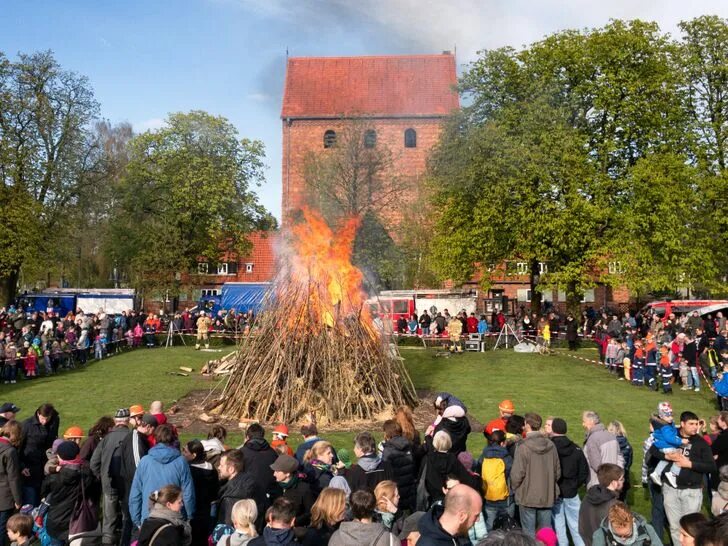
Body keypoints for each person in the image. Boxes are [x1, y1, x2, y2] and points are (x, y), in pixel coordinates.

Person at [649, 411, 717, 546]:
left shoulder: (700, 443)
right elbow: (653, 449)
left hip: (691, 491)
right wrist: (666, 457)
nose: (695, 427)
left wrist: (689, 464)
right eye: (691, 424)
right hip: (670, 489)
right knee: (675, 527)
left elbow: (711, 467)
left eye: (697, 424)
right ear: (683, 424)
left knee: (692, 529)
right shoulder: (670, 435)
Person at [129, 425, 195, 529]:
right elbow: (188, 492)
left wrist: (137, 520)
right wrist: (189, 516)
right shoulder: (181, 462)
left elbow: (135, 493)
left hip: (150, 516)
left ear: (155, 439)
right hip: (174, 517)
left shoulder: (145, 461)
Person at [510, 412, 560, 536]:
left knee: (529, 534)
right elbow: (557, 472)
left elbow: (517, 474)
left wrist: (515, 488)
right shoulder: (551, 445)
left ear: (527, 425)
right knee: (545, 534)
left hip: (527, 497)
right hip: (546, 495)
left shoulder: (523, 446)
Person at [41, 441, 100, 545]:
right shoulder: (87, 475)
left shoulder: (53, 477)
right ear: (77, 455)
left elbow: (44, 493)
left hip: (56, 521)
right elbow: (95, 494)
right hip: (79, 522)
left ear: (59, 457)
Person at [90, 408, 132, 546]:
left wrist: (101, 476)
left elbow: (94, 462)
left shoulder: (106, 439)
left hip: (108, 484)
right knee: (128, 516)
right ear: (128, 421)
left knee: (109, 519)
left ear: (115, 422)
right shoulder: (133, 437)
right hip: (128, 485)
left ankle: (107, 542)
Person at [550, 418, 588, 546]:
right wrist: (574, 485)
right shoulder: (576, 448)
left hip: (556, 493)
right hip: (571, 492)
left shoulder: (549, 448)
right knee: (576, 525)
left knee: (559, 526)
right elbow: (583, 472)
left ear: (553, 429)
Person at [422, 431, 477, 506]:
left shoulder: (429, 458)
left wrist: (427, 436)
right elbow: (466, 478)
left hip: (436, 498)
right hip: (446, 497)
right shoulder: (452, 460)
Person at [20, 403, 59, 506]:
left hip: (46, 466)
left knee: (46, 501)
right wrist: (21, 466)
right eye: (42, 418)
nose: (45, 422)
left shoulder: (55, 421)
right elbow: (18, 447)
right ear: (38, 413)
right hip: (30, 468)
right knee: (31, 501)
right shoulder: (27, 425)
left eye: (47, 418)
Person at [417, 483, 483, 546]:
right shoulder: (428, 544)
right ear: (462, 516)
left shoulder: (460, 532)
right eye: (476, 516)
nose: (478, 520)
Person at [328, 489, 396, 546]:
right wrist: (397, 512)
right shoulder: (390, 539)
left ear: (351, 507)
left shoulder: (336, 537)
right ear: (374, 506)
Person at [578, 463, 624, 546]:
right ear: (614, 483)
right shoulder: (615, 506)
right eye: (621, 479)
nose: (623, 481)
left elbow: (581, 526)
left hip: (588, 541)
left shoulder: (587, 497)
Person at [183, 440, 219, 546]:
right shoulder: (211, 468)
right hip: (207, 511)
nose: (183, 453)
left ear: (193, 455)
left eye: (185, 451)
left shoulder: (188, 470)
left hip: (192, 510)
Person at [477, 429, 513, 530]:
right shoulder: (506, 457)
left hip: (488, 496)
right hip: (505, 498)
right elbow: (512, 474)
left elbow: (479, 469)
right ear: (502, 443)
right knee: (507, 526)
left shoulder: (484, 455)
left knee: (490, 525)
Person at [381, 419, 417, 513]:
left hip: (396, 491)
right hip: (410, 489)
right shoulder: (409, 445)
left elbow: (385, 472)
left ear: (387, 433)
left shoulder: (388, 451)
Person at [217, 449, 259, 527]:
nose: (219, 468)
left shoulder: (231, 497)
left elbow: (227, 526)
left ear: (231, 469)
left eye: (221, 465)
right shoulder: (250, 481)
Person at [582, 411, 623, 488]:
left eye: (584, 422)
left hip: (598, 484)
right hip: (613, 482)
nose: (583, 424)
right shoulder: (612, 436)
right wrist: (617, 476)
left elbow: (596, 465)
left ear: (592, 422)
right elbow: (620, 458)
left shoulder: (592, 439)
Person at [271, 454, 315, 527]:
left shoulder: (303, 488)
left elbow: (310, 511)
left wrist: (294, 522)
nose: (274, 474)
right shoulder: (274, 486)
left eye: (277, 471)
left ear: (287, 474)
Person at [591, 501, 661, 546]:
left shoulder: (647, 531)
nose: (623, 539)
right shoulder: (600, 536)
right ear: (611, 524)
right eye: (618, 535)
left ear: (633, 520)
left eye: (627, 535)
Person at [240, 424, 278, 504]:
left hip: (247, 495)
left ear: (247, 437)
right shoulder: (273, 453)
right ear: (263, 436)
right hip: (269, 496)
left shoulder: (242, 453)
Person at [0, 421, 22, 546]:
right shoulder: (10, 451)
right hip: (5, 497)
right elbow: (13, 478)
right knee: (3, 528)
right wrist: (18, 500)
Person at [606, 421, 632, 501]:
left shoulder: (607, 445)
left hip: (610, 479)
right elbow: (629, 463)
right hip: (622, 478)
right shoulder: (628, 445)